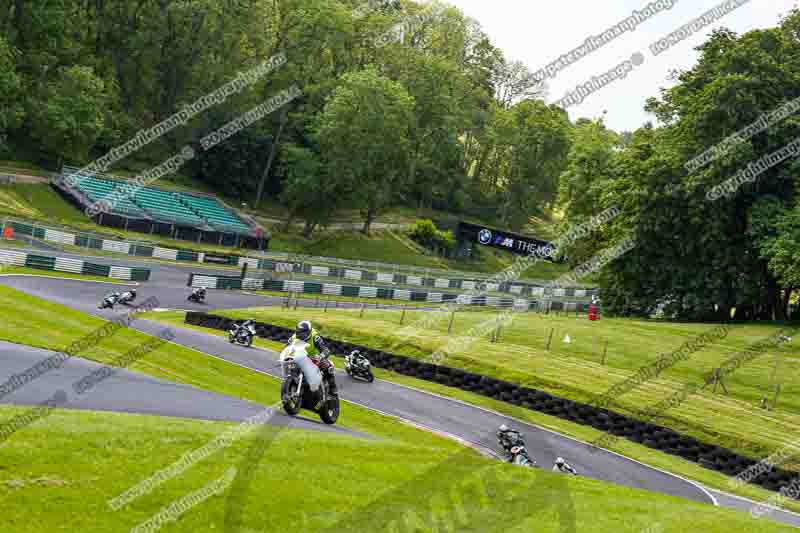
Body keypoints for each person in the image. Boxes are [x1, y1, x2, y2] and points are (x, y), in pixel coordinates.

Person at [288, 320, 337, 399]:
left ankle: (333, 389)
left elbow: (326, 350)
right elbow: (287, 348)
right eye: (299, 332)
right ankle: (292, 385)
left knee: (328, 366)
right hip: (301, 358)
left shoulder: (315, 337)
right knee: (290, 364)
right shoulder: (293, 338)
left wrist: (320, 357)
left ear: (308, 332)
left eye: (303, 333)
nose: (301, 335)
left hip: (315, 358)